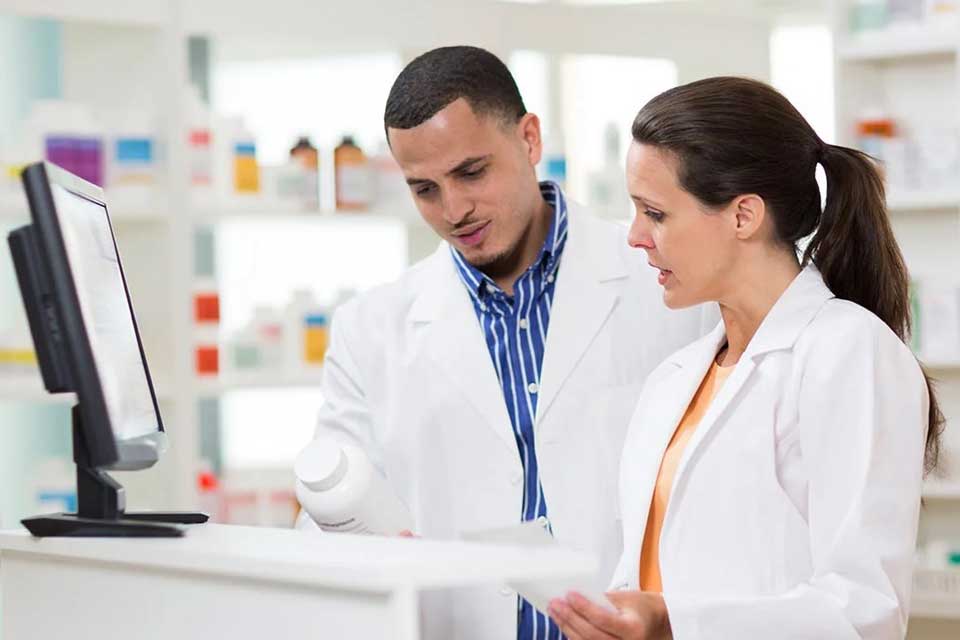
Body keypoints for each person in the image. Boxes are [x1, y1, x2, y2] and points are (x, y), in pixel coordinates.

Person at [296, 46, 712, 640]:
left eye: (471, 172)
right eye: (424, 189)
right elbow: (329, 514)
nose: (454, 210)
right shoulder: (371, 328)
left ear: (530, 139)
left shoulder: (666, 281)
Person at [547, 76, 944, 640]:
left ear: (743, 216)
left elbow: (864, 612)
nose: (634, 237)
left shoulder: (848, 352)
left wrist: (671, 623)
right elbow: (646, 574)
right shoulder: (675, 378)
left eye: (655, 213)